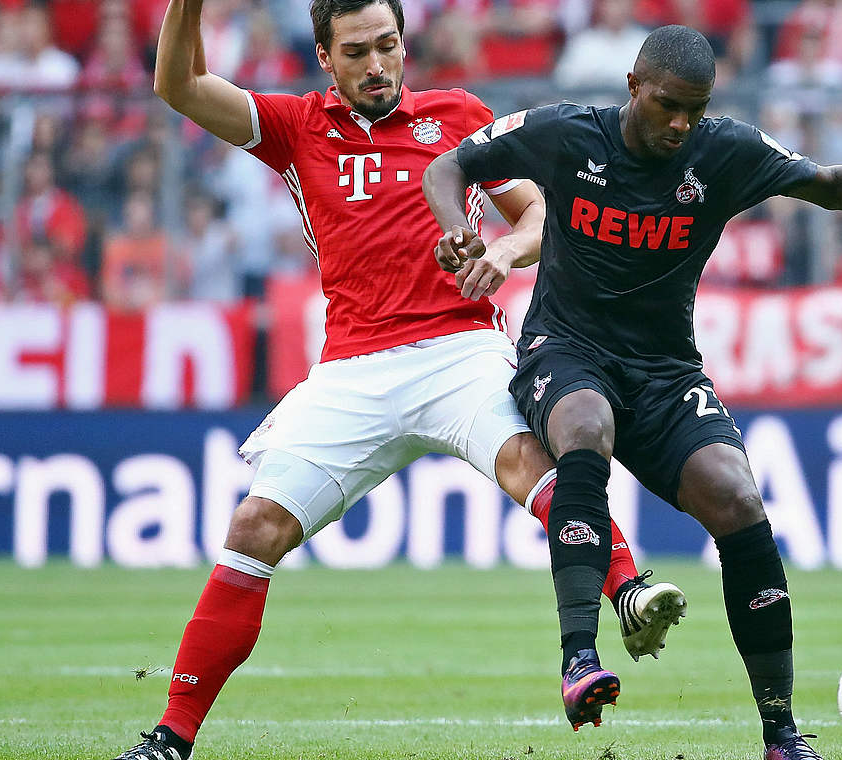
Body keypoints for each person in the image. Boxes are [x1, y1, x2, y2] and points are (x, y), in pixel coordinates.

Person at [111, 2, 687, 759]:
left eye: (388, 45)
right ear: (325, 56)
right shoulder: (294, 126)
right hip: (352, 368)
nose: (377, 64)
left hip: (458, 348)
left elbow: (541, 211)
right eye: (357, 52)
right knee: (255, 530)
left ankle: (627, 588)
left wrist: (505, 251)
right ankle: (170, 739)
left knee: (533, 466)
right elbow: (178, 87)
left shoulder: (458, 116)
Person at [423, 24, 842, 759]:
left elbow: (824, 182)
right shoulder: (567, 134)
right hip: (567, 350)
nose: (680, 123)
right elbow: (449, 165)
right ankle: (579, 659)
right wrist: (460, 227)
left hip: (664, 371)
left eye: (694, 108)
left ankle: (780, 733)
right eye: (667, 106)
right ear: (632, 88)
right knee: (585, 428)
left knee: (738, 498)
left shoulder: (724, 151)